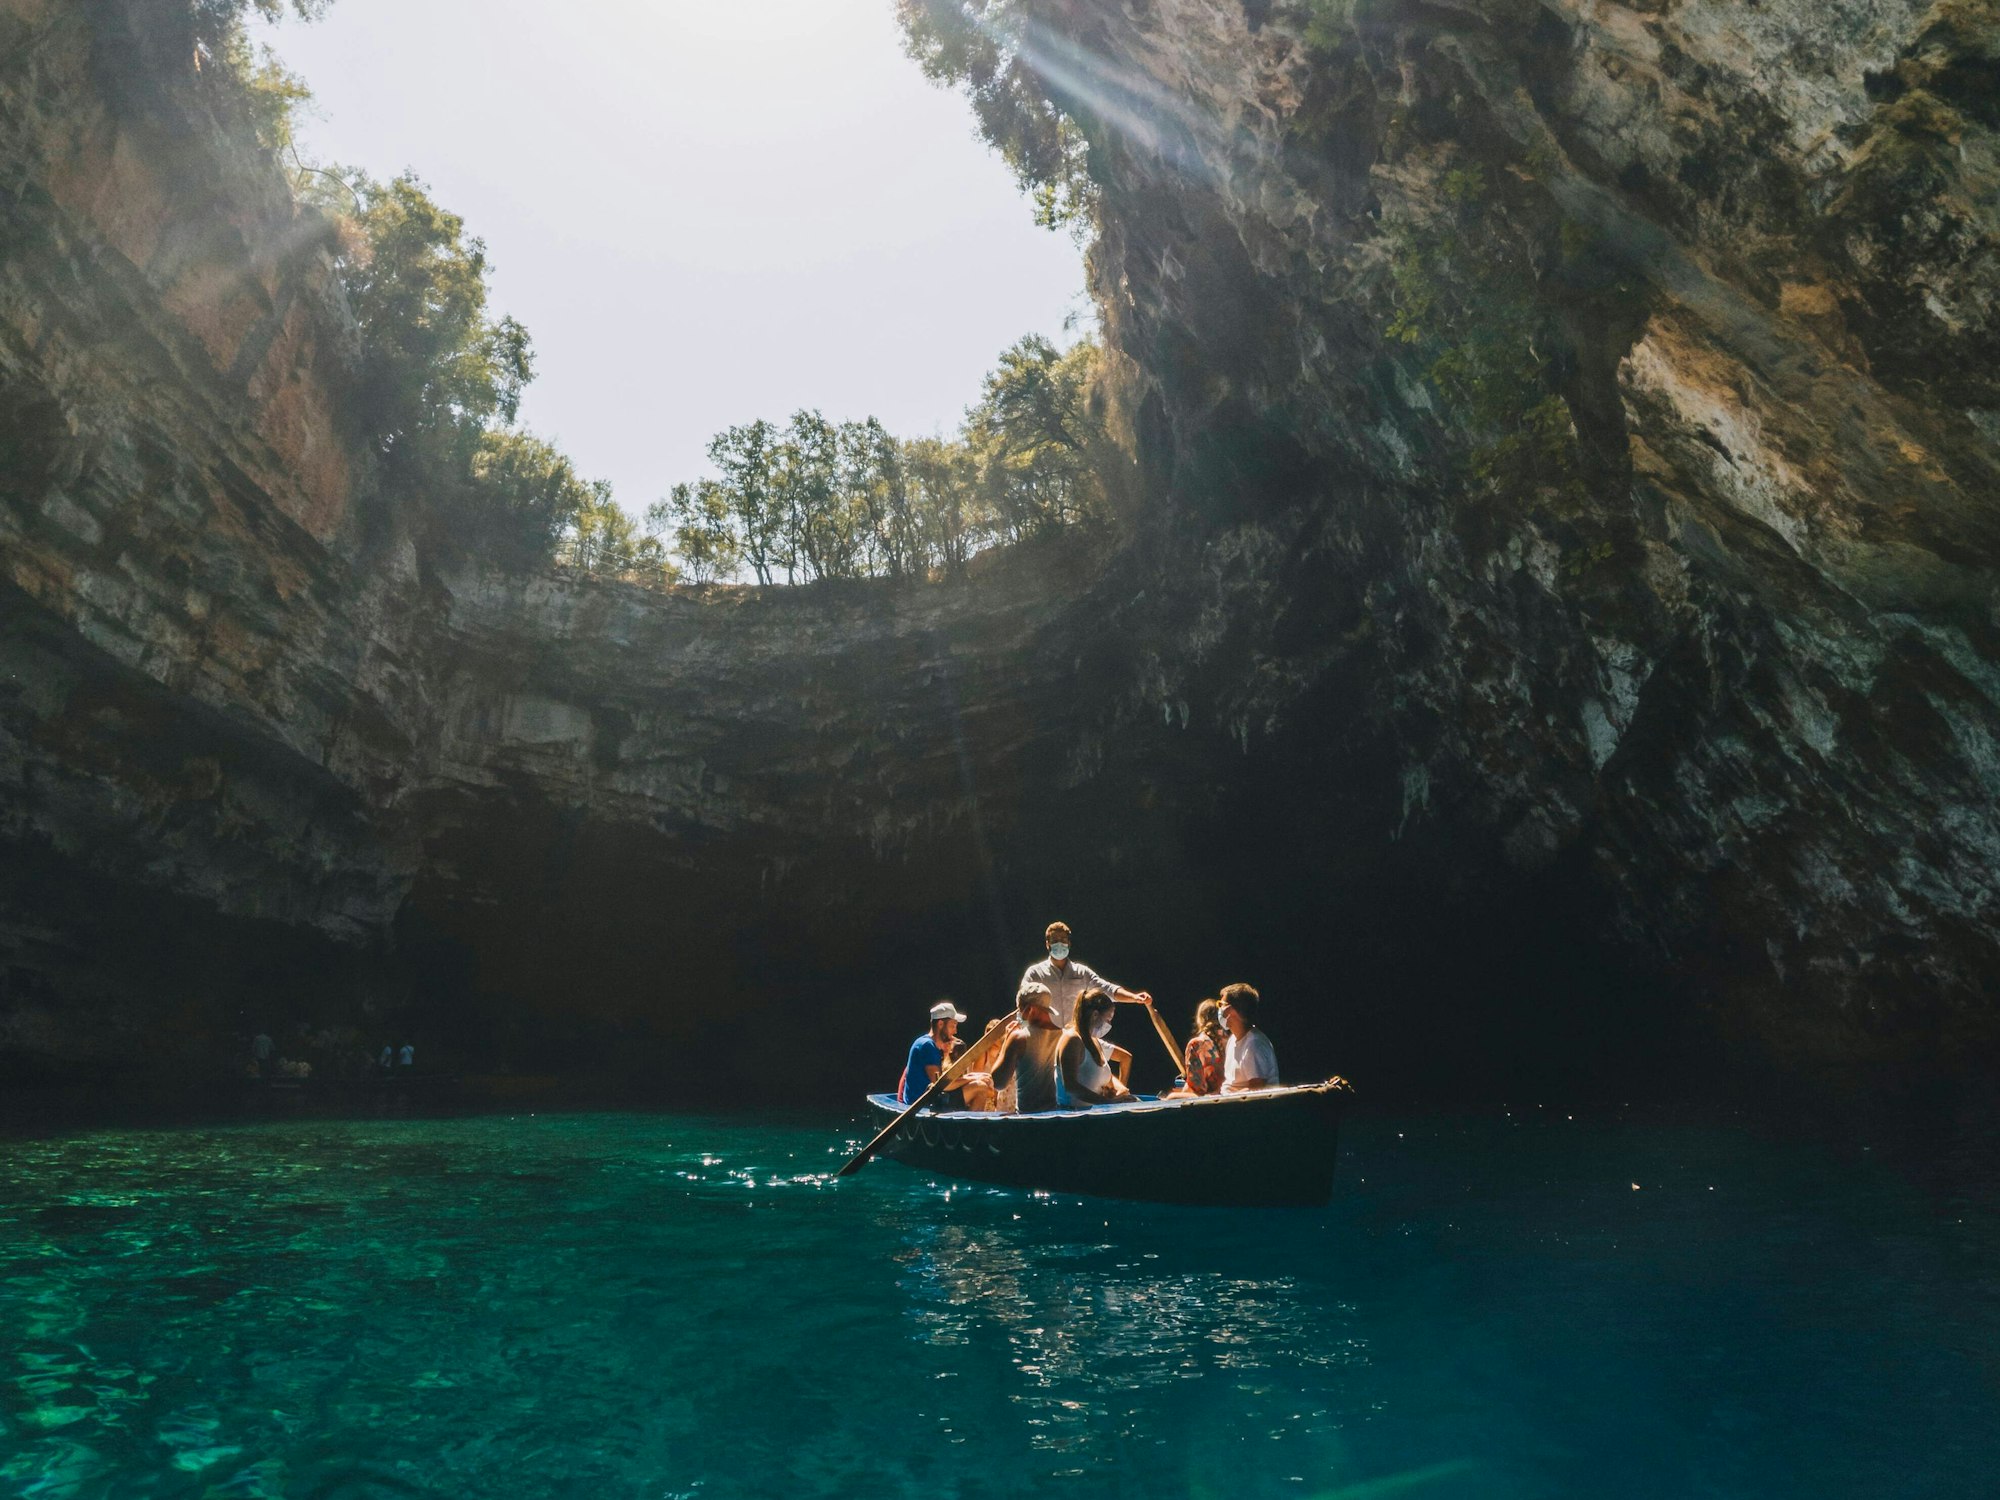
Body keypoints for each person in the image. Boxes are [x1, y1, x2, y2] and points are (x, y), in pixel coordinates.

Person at [1017, 921, 1155, 1028]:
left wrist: (1135, 997)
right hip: (1044, 1039)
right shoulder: (1035, 973)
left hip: (1075, 1040)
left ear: (1069, 943)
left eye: (1063, 939)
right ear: (1048, 944)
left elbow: (1107, 989)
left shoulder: (1081, 972)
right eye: (1055, 940)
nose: (1060, 943)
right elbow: (1022, 1002)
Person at [988, 982, 1065, 1113]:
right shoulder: (1065, 1035)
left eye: (1020, 1011)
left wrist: (1007, 1040)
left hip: (1029, 1119)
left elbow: (998, 1082)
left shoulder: (1019, 1038)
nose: (1019, 1016)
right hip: (1057, 1115)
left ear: (1031, 1010)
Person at [1056, 990, 1133, 1108]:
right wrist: (1106, 1102)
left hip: (1094, 1114)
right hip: (1073, 1118)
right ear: (1095, 1015)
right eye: (1108, 1019)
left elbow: (1103, 1076)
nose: (1109, 1024)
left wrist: (1118, 1090)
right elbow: (1071, 1086)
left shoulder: (1095, 1041)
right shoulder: (1072, 1040)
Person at [898, 1001, 968, 1106]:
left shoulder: (931, 1045)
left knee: (979, 1083)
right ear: (940, 1024)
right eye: (953, 1026)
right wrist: (970, 1079)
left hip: (931, 1099)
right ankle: (970, 1122)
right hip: (921, 1104)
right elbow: (940, 1085)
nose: (955, 1031)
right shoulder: (927, 1046)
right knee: (978, 1087)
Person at [1218, 983, 1279, 1092]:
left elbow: (1256, 1090)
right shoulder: (1232, 1040)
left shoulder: (1254, 1044)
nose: (1219, 1009)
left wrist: (1226, 1099)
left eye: (1220, 1004)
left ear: (1231, 1010)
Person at [1182, 998, 1226, 1096]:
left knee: (1171, 1098)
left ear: (1200, 1019)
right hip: (1230, 1094)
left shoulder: (1196, 1044)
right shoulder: (1233, 1040)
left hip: (1210, 1098)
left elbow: (1197, 1088)